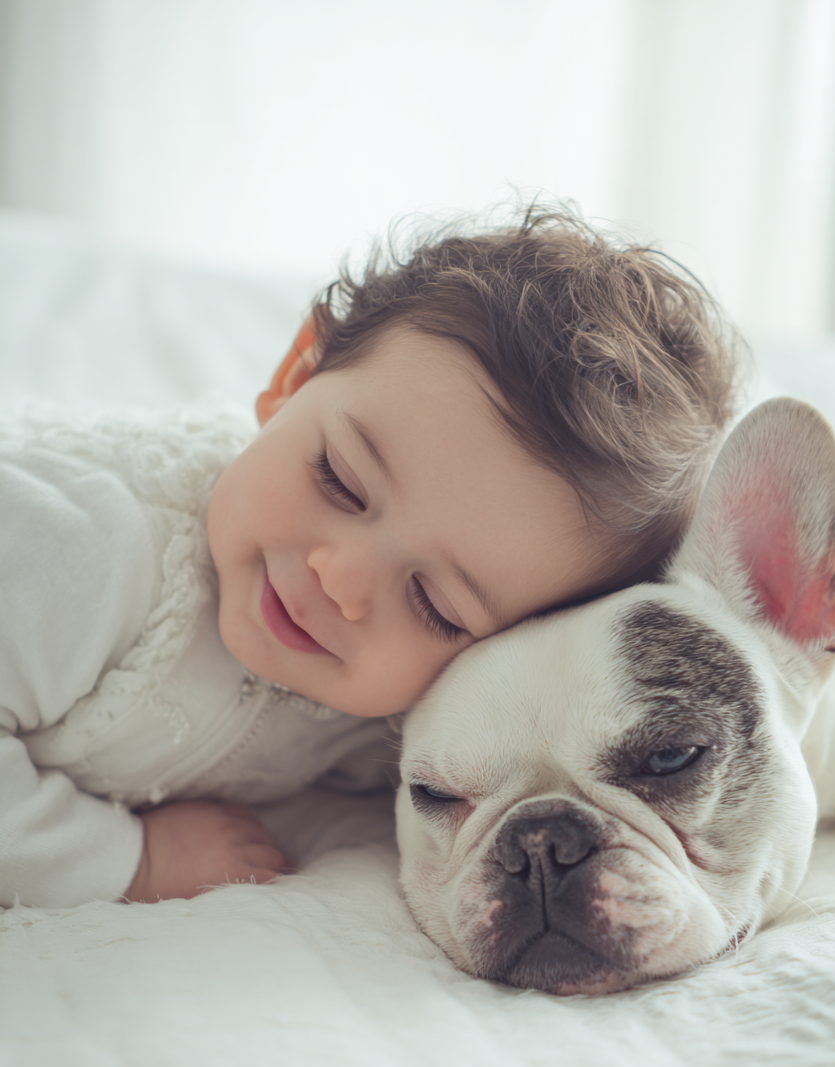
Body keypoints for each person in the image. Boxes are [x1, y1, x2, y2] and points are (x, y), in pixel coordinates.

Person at [0, 207, 741, 908]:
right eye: (340, 481)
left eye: (433, 605)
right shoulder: (86, 548)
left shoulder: (394, 715)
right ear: (295, 379)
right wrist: (126, 863)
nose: (341, 580)